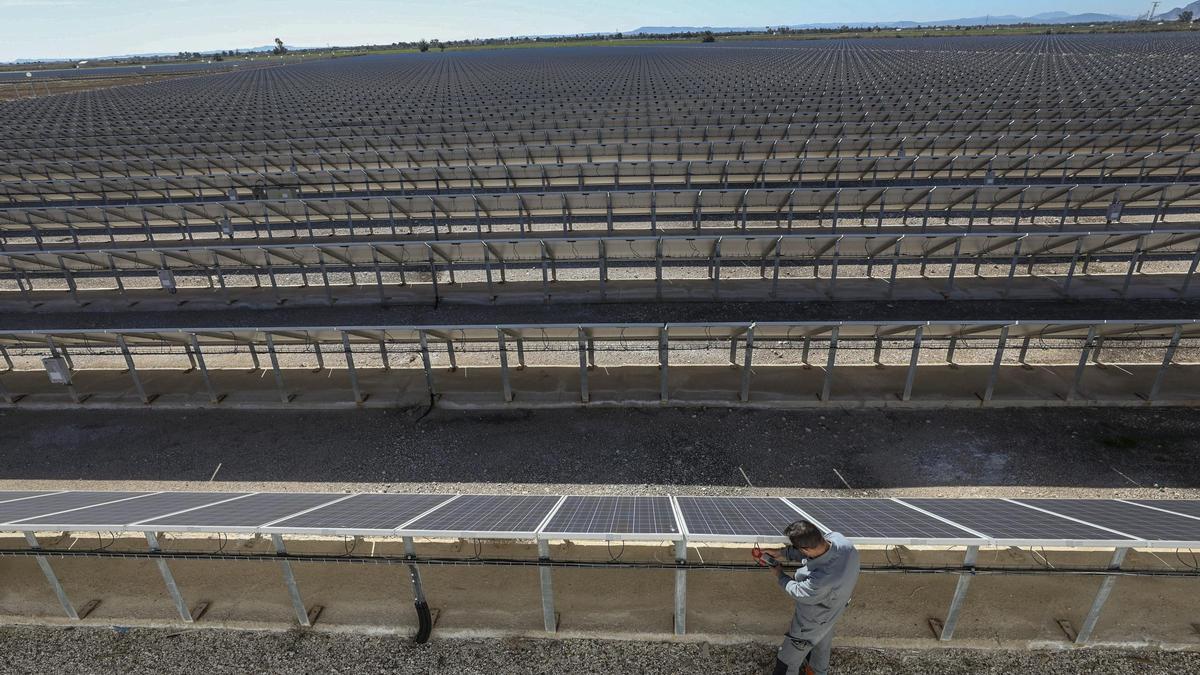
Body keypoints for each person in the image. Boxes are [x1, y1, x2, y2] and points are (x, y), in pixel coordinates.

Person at [760, 520, 860, 675]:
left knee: (786, 662)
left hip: (813, 621)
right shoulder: (842, 542)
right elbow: (814, 552)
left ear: (805, 549)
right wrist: (781, 553)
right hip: (834, 609)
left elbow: (799, 592)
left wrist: (779, 574)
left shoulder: (821, 579)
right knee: (819, 650)